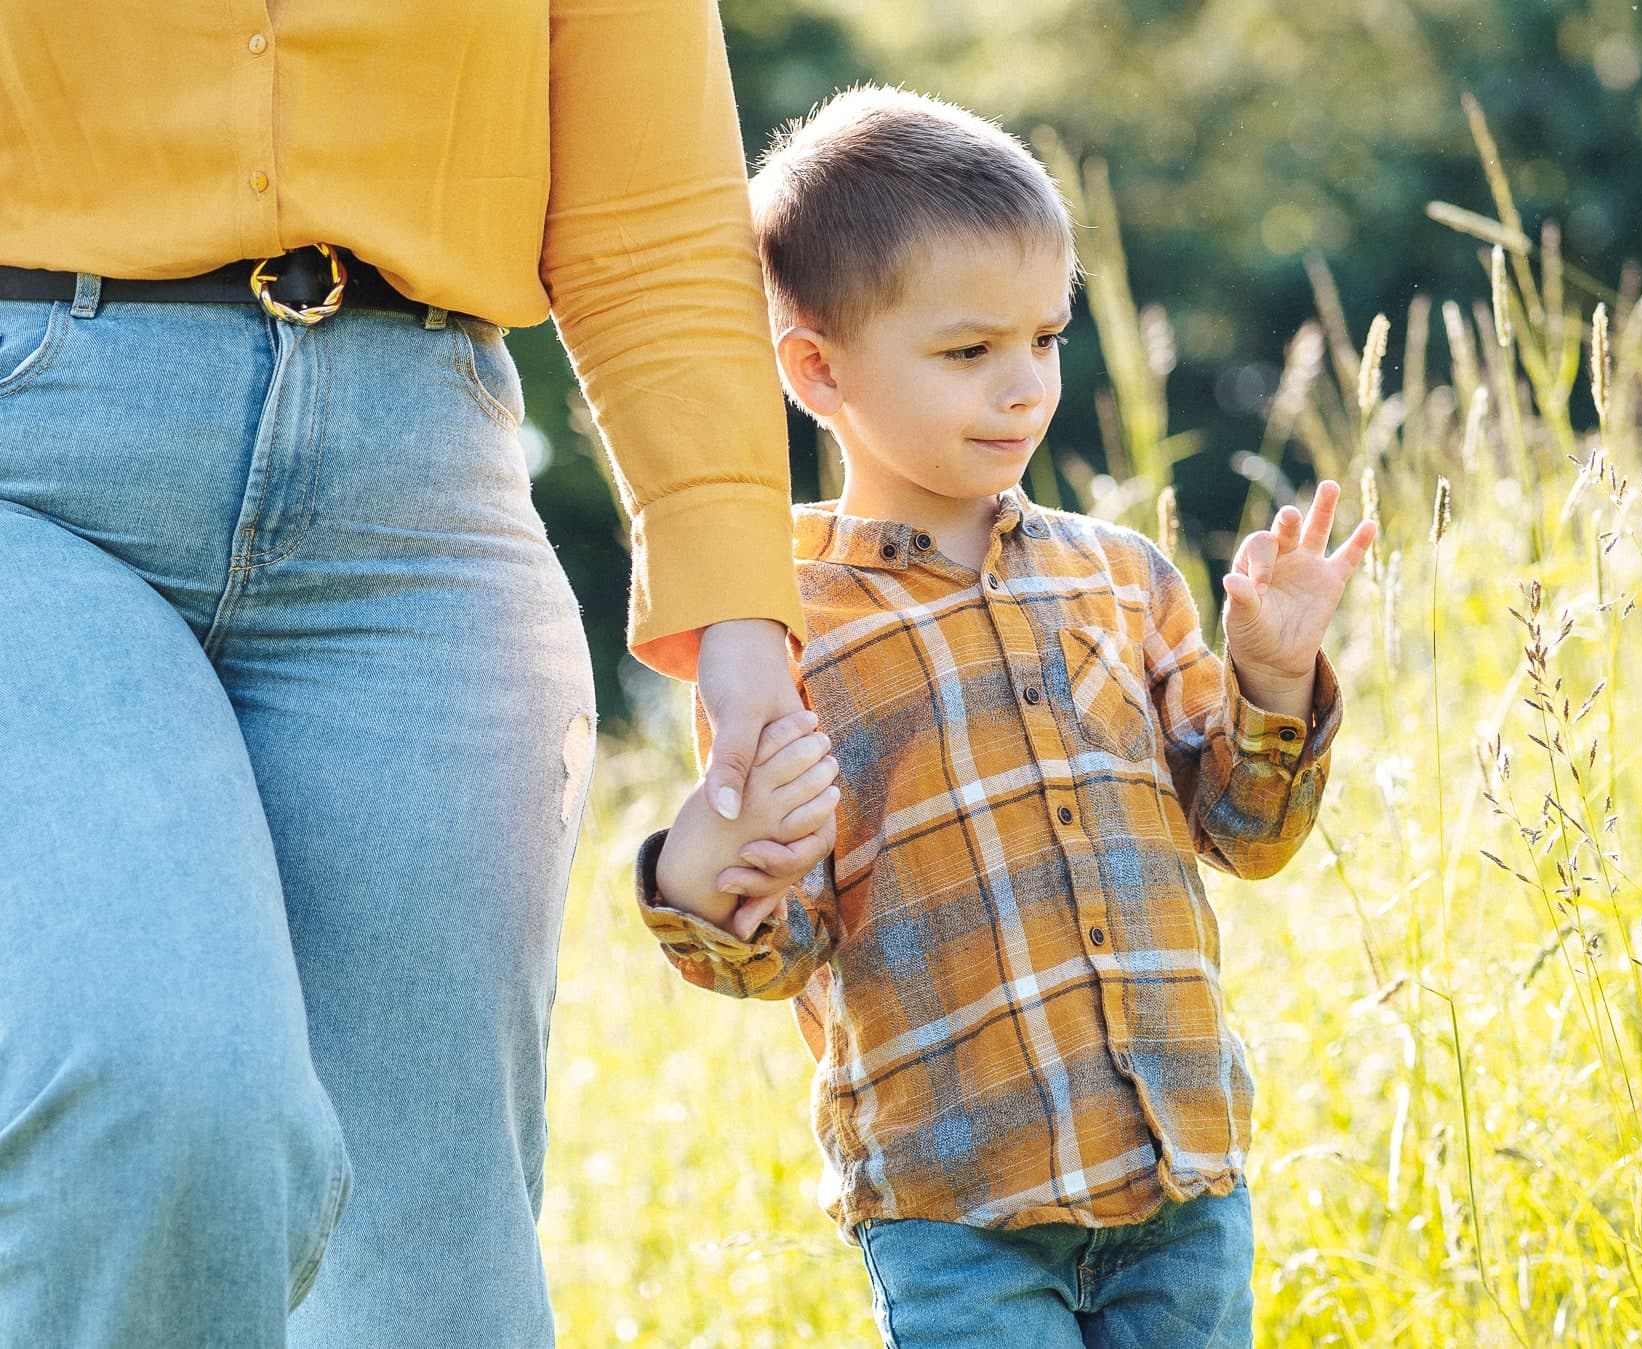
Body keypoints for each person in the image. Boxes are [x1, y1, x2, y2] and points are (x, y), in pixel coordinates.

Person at [0, 2, 834, 1345]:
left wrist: (739, 619)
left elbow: (655, 211)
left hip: (420, 492)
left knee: (429, 1292)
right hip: (26, 467)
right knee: (162, 1098)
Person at [634, 86, 1379, 1348]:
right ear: (816, 367)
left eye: (1045, 337)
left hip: (1181, 1171)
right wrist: (702, 865)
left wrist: (1269, 676)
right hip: (956, 1205)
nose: (1023, 387)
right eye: (967, 352)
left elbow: (1246, 830)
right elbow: (780, 943)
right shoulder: (779, 627)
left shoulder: (1119, 573)